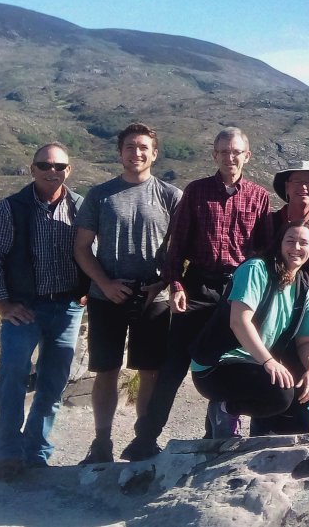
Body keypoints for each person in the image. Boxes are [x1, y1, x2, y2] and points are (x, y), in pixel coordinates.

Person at [120, 127, 271, 461]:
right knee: (173, 365)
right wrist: (175, 285)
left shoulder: (259, 197)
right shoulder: (197, 191)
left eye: (236, 152)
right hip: (198, 286)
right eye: (223, 152)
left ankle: (215, 435)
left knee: (228, 363)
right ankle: (145, 438)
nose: (230, 158)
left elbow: (263, 252)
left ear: (247, 156)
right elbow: (177, 247)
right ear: (214, 154)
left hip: (239, 289)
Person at [0, 142, 88, 481]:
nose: (51, 171)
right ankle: (9, 456)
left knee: (53, 384)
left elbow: (93, 251)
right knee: (12, 377)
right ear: (32, 169)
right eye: (44, 165)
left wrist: (88, 290)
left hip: (68, 306)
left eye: (59, 166)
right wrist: (2, 303)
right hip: (23, 307)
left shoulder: (82, 207)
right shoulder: (9, 209)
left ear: (68, 170)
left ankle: (36, 451)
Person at [74, 123, 182, 464]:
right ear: (120, 152)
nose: (136, 153)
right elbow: (81, 248)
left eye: (143, 147)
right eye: (130, 147)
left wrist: (163, 283)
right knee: (106, 369)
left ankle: (143, 440)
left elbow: (181, 249)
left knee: (149, 370)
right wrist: (104, 284)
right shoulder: (100, 195)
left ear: (154, 153)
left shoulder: (170, 196)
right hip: (108, 295)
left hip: (154, 296)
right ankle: (101, 441)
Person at [190, 220, 309, 433]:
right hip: (217, 365)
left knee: (298, 391)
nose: (296, 248)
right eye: (290, 241)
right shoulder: (256, 269)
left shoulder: (304, 291)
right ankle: (226, 409)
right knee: (280, 392)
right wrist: (269, 361)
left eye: (303, 243)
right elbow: (239, 321)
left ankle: (261, 443)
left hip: (254, 364)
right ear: (280, 244)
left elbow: (306, 340)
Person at [249, 160, 309, 437]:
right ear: (286, 187)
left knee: (301, 391)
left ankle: (294, 451)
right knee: (267, 388)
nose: (304, 188)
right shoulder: (268, 223)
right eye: (297, 182)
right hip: (268, 324)